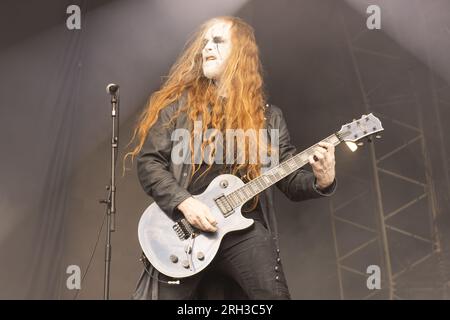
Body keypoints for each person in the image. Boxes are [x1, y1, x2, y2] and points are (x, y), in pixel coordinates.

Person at [127, 16, 336, 300]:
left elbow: (289, 179)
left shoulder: (268, 118)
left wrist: (322, 180)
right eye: (204, 42)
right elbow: (149, 162)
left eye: (217, 41)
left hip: (243, 228)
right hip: (183, 231)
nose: (206, 48)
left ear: (240, 53)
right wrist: (184, 203)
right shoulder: (179, 111)